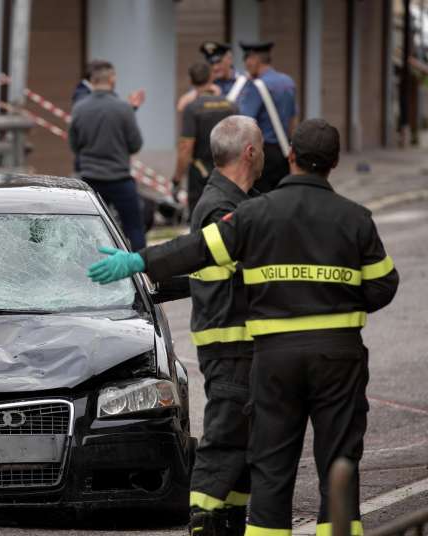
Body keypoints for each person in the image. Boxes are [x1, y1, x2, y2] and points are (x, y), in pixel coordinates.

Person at [87, 118, 399, 536]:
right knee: (339, 459)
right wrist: (335, 300)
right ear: (336, 162)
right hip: (337, 356)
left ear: (291, 156)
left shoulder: (256, 213)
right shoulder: (355, 217)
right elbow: (383, 285)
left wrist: (138, 261)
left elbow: (196, 249)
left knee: (270, 462)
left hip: (273, 359)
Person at [186, 116, 262, 536]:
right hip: (231, 346)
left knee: (244, 446)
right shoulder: (222, 208)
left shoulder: (233, 201)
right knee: (226, 439)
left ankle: (230, 519)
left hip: (239, 345)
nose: (265, 151)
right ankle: (205, 522)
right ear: (250, 152)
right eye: (262, 145)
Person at [69, 61, 146, 250]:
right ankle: (141, 272)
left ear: (92, 81)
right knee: (134, 228)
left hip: (90, 179)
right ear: (112, 80)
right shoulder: (124, 108)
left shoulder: (80, 108)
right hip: (120, 178)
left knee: (87, 230)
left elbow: (74, 145)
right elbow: (136, 144)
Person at [173, 62, 236, 214]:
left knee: (200, 220)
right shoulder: (230, 105)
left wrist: (177, 178)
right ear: (211, 78)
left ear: (191, 81)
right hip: (228, 172)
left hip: (200, 175)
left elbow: (186, 147)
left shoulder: (192, 108)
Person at [238, 41, 297, 192]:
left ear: (255, 59)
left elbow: (245, 123)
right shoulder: (288, 82)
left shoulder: (256, 86)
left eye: (247, 59)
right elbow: (293, 119)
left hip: (263, 152)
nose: (246, 64)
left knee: (261, 200)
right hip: (284, 150)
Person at [72, 59, 146, 176]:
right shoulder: (83, 98)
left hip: (88, 171)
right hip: (111, 173)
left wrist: (129, 109)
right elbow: (135, 144)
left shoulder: (81, 104)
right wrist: (127, 109)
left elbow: (75, 143)